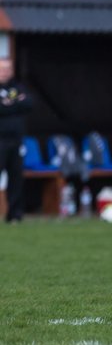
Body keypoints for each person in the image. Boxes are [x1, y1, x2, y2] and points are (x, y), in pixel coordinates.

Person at [0, 59, 34, 223]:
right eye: (2, 69)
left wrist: (9, 104)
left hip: (16, 141)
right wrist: (14, 104)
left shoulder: (17, 88)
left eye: (8, 68)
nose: (5, 71)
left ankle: (14, 215)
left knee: (16, 178)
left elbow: (29, 103)